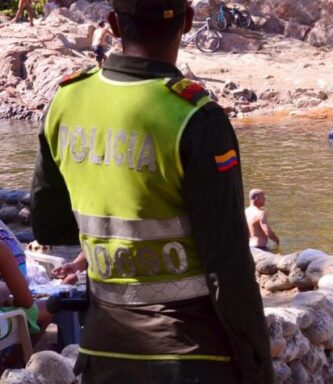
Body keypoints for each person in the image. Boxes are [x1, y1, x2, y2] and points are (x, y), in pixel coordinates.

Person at [30, 0, 273, 381]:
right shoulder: (195, 116)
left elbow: (49, 227)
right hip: (191, 357)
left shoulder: (66, 101)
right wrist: (257, 363)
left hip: (103, 351)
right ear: (189, 21)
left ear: (113, 23)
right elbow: (227, 265)